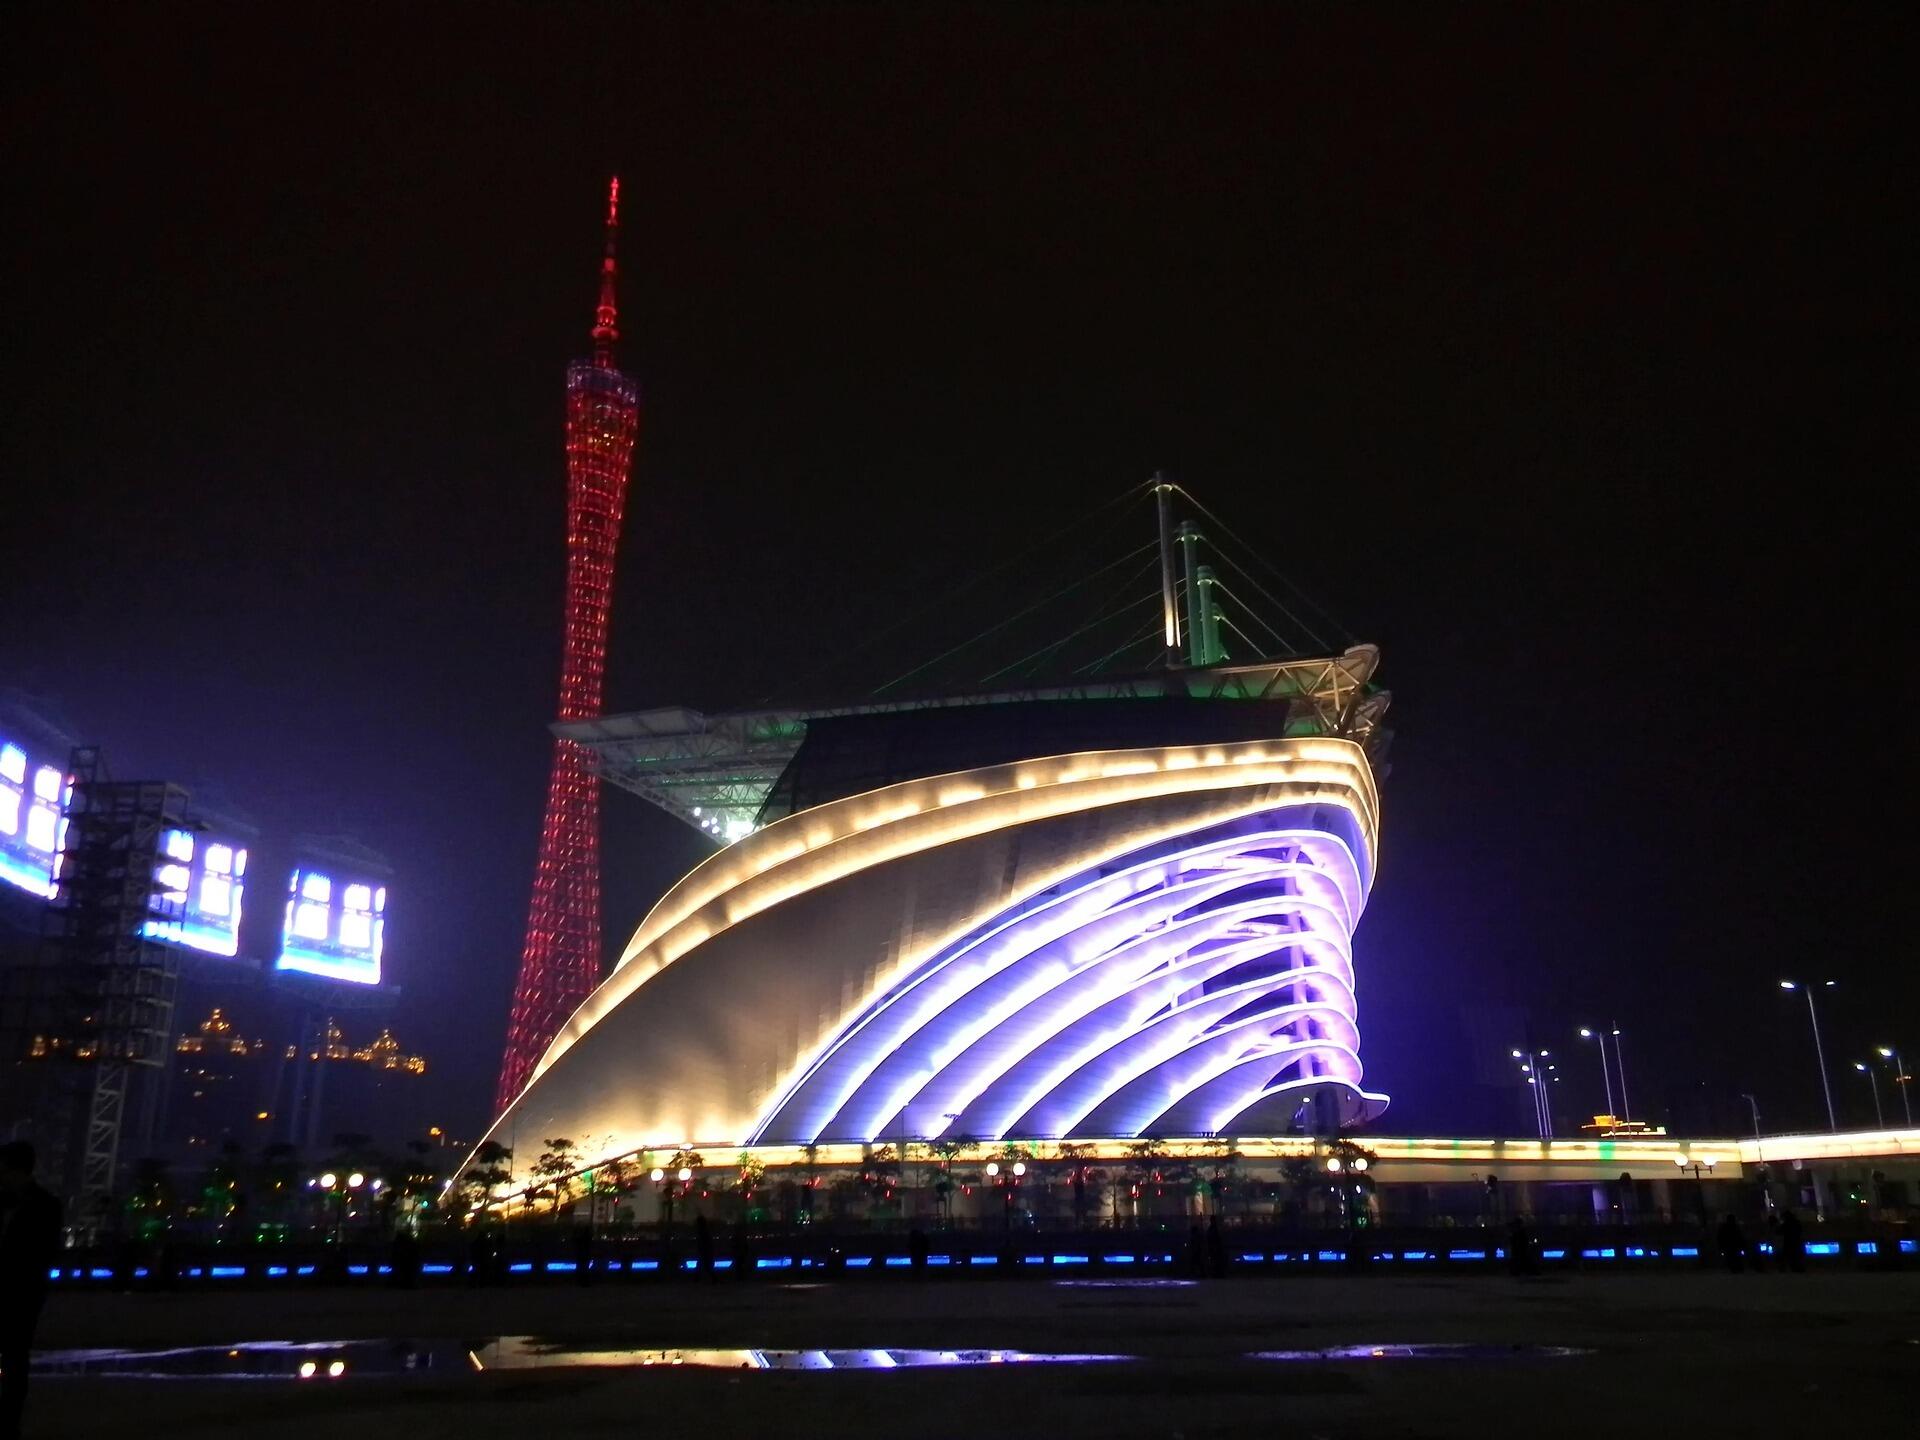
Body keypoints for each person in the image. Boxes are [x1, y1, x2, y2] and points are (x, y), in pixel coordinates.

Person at [1, 1141, 63, 1440]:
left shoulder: (45, 1207)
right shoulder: (45, 1205)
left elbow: (43, 1252)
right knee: (15, 1358)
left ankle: (9, 1421)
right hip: (24, 1290)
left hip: (21, 1293)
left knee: (14, 1357)